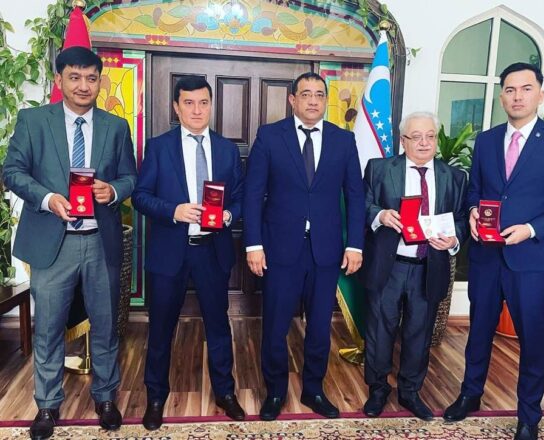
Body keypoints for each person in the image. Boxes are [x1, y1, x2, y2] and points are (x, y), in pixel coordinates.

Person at [3, 46, 137, 440]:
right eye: (74, 77)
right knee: (47, 328)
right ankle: (47, 404)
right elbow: (12, 171)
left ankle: (106, 398)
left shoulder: (116, 126)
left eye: (91, 78)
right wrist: (47, 198)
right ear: (59, 79)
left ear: (100, 82)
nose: (83, 86)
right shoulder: (33, 121)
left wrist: (113, 191)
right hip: (52, 243)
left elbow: (130, 177)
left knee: (106, 326)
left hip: (100, 242)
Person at [444, 63, 544, 440]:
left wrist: (532, 229)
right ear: (501, 96)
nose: (517, 96)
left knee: (533, 338)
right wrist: (472, 212)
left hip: (533, 259)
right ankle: (470, 394)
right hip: (487, 257)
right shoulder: (487, 140)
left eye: (525, 88)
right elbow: (476, 190)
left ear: (540, 94)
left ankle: (529, 415)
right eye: (509, 89)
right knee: (479, 331)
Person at [244, 72, 365, 421]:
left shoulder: (344, 141)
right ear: (292, 100)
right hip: (280, 249)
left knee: (319, 327)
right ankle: (275, 391)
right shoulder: (270, 136)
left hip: (326, 251)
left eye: (319, 94)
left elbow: (355, 197)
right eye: (306, 94)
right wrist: (253, 244)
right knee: (276, 325)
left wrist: (355, 245)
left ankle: (314, 388)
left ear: (325, 100)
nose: (313, 100)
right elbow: (253, 194)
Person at [132, 76, 244, 429]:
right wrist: (174, 211)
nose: (197, 110)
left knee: (218, 325)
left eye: (203, 103)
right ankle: (155, 396)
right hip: (170, 251)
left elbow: (241, 198)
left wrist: (228, 215)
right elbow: (140, 196)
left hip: (212, 251)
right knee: (161, 327)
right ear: (176, 107)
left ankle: (225, 392)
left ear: (211, 105)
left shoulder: (227, 150)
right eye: (189, 103)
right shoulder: (159, 147)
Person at [360, 112, 468, 420]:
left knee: (419, 333)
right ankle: (378, 388)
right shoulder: (380, 169)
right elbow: (362, 204)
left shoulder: (454, 177)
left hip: (428, 265)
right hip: (389, 265)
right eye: (416, 136)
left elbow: (461, 219)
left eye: (430, 136)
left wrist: (454, 239)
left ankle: (410, 391)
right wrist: (380, 215)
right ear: (403, 140)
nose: (424, 143)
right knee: (380, 331)